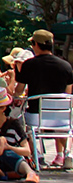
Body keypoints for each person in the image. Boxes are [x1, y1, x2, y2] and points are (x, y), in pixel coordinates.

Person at [13, 29, 73, 167]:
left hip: (36, 116)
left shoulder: (29, 65)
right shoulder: (66, 66)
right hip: (61, 116)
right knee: (65, 125)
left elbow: (19, 90)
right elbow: (68, 94)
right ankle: (67, 154)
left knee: (25, 124)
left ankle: (38, 155)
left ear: (36, 44)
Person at [0, 86, 39, 183]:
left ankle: (30, 173)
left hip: (11, 160)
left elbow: (27, 151)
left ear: (2, 108)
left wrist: (8, 147)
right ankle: (6, 174)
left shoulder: (13, 125)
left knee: (7, 153)